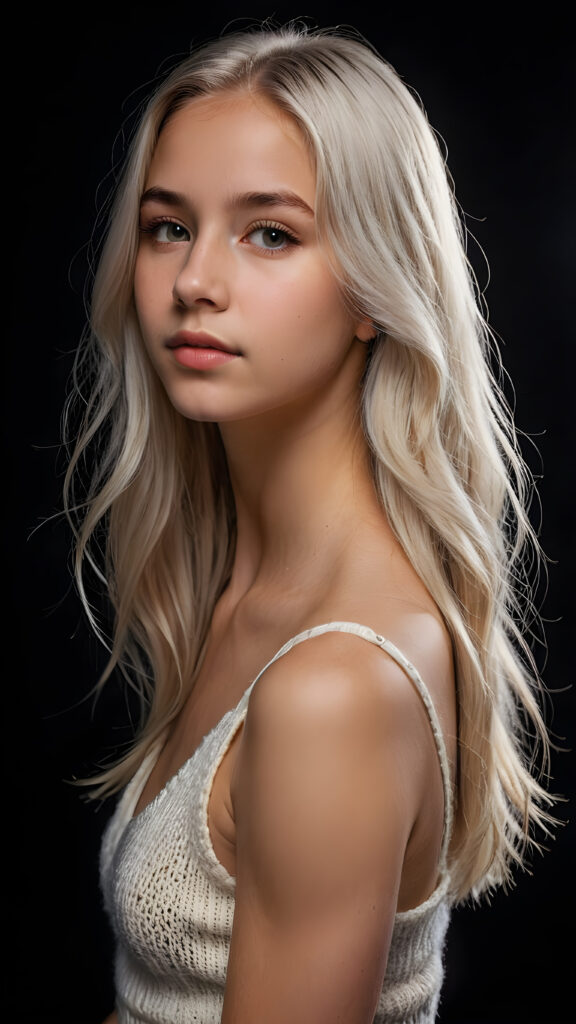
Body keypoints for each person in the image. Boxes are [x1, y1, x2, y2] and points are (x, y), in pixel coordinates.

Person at [63, 23, 554, 1024]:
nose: (195, 281)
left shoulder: (334, 683)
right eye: (168, 225)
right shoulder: (241, 590)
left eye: (270, 233)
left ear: (377, 285)